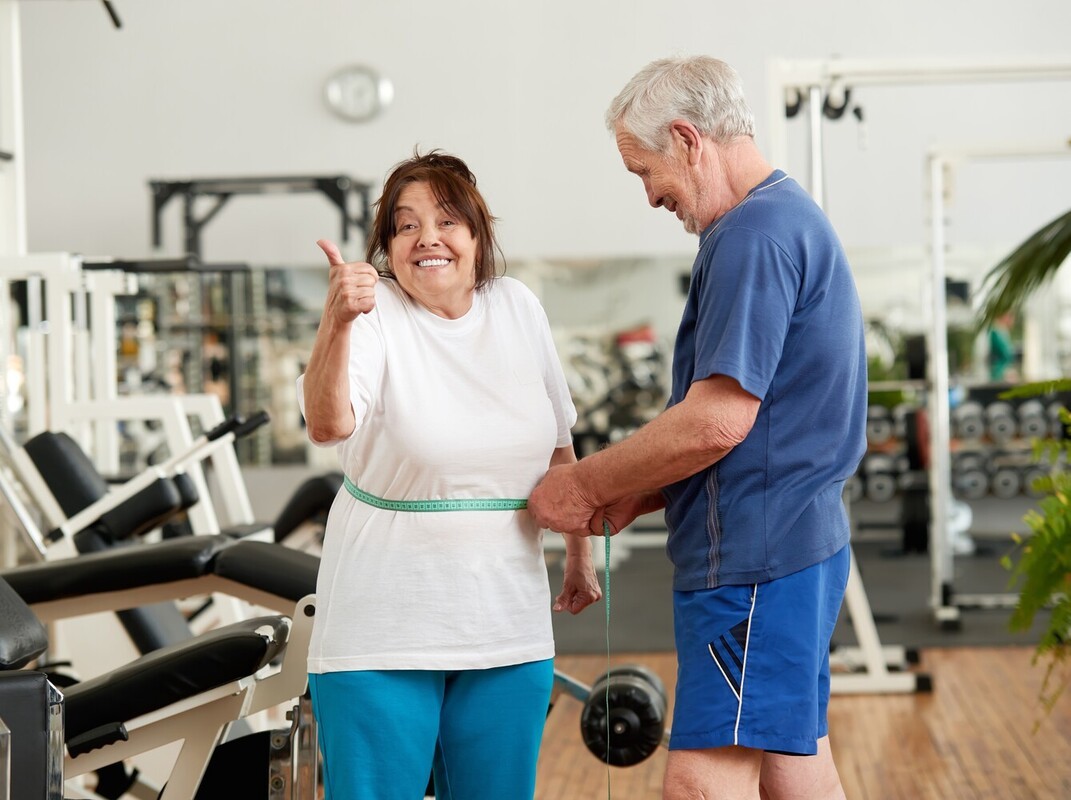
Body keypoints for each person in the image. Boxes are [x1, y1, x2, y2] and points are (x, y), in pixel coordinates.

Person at [527, 56, 867, 800]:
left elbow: (716, 423)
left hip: (755, 560)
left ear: (687, 138)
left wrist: (582, 483)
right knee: (790, 767)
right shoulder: (780, 218)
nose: (650, 195)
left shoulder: (753, 234)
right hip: (786, 549)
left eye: (643, 171)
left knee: (700, 784)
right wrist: (638, 494)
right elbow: (760, 422)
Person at [298, 150, 601, 800]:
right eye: (405, 226)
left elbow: (557, 444)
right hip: (381, 630)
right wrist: (337, 321)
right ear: (385, 247)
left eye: (445, 221)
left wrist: (579, 555)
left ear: (476, 235)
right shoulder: (373, 310)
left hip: (505, 624)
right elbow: (327, 425)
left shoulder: (517, 306)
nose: (427, 237)